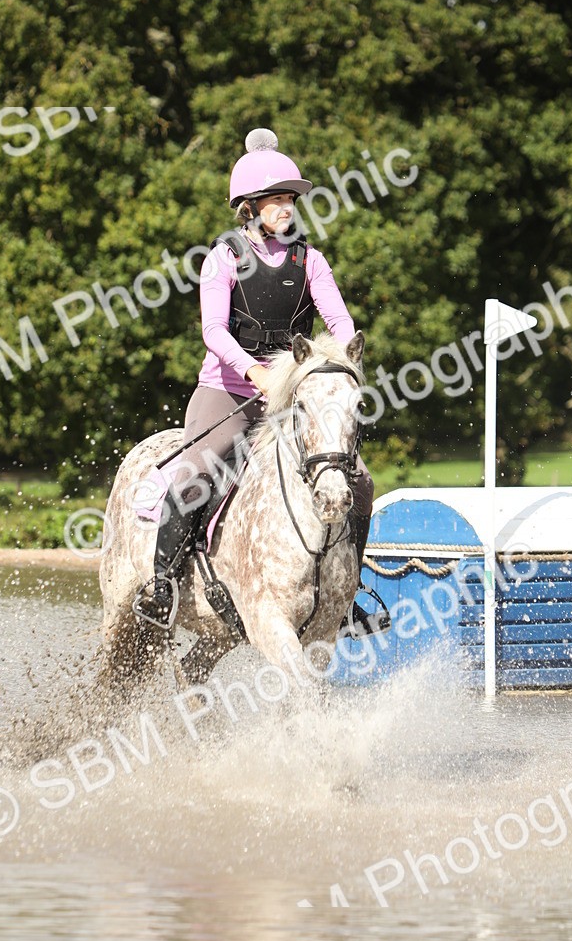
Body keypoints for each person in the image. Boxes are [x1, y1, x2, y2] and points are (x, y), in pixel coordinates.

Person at [133, 128, 388, 637]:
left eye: (290, 199)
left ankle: (348, 596)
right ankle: (160, 585)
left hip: (292, 400)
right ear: (249, 206)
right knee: (199, 472)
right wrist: (254, 372)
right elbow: (213, 332)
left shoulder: (310, 260)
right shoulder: (223, 258)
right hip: (227, 392)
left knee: (357, 479)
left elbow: (339, 322)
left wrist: (337, 358)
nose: (288, 208)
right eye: (277, 200)